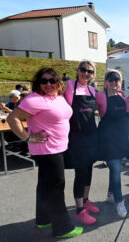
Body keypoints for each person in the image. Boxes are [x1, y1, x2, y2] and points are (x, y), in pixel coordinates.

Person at [7, 68, 82, 238]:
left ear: (58, 82)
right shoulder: (34, 100)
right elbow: (13, 118)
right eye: (44, 81)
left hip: (58, 147)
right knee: (56, 187)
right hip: (47, 150)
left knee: (45, 185)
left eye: (52, 80)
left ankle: (43, 219)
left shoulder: (58, 97)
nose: (48, 84)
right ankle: (63, 228)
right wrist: (27, 138)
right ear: (38, 83)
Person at [64, 60, 99, 225]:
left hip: (91, 138)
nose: (86, 74)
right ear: (78, 70)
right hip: (76, 138)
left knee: (89, 171)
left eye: (90, 72)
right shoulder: (69, 86)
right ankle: (79, 210)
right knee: (80, 174)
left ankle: (86, 200)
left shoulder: (93, 90)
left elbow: (102, 105)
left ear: (93, 75)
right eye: (84, 70)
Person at [96, 69, 129, 218]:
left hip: (121, 139)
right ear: (106, 81)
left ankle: (110, 195)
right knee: (116, 171)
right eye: (111, 79)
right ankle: (119, 202)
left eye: (117, 79)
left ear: (121, 82)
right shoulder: (101, 96)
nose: (114, 82)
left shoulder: (122, 97)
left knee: (115, 170)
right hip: (107, 140)